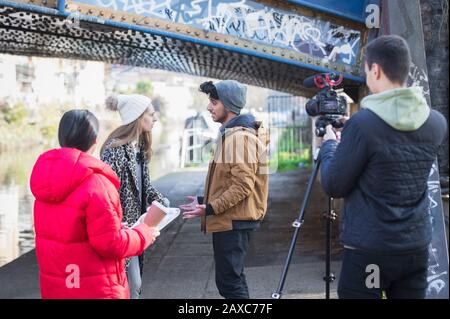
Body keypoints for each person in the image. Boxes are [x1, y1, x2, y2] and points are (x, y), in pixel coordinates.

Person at [318, 35, 448, 299]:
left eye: (366, 70)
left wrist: (330, 145)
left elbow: (334, 184)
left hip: (372, 253)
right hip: (415, 249)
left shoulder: (363, 125)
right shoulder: (436, 123)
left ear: (375, 69)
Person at [30, 109, 160, 299]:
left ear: (61, 137)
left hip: (58, 287)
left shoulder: (43, 183)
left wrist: (113, 228)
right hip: (97, 289)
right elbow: (111, 244)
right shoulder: (98, 185)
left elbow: (69, 232)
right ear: (94, 140)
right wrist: (144, 233)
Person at [180, 80, 270, 299]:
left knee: (229, 284)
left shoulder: (239, 138)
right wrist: (205, 200)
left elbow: (242, 185)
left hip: (233, 221)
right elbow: (230, 181)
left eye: (214, 102)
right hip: (231, 218)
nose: (209, 107)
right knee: (233, 280)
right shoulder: (232, 135)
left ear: (228, 105)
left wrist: (209, 207)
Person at [100, 94, 170, 299]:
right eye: (150, 114)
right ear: (138, 117)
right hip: (121, 230)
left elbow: (145, 186)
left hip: (138, 227)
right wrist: (116, 224)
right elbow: (105, 195)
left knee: (135, 283)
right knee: (130, 285)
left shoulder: (139, 147)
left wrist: (161, 201)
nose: (155, 118)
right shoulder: (113, 150)